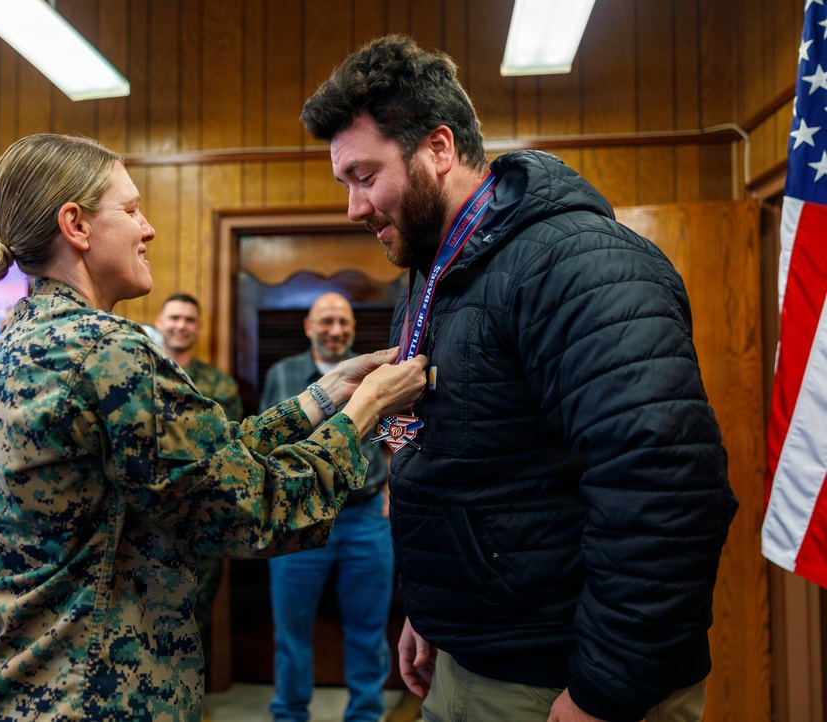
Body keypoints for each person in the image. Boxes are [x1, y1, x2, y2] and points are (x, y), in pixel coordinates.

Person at [300, 35, 738, 722]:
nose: (354, 207)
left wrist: (605, 690)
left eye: (364, 175)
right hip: (474, 652)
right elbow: (460, 458)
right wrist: (434, 611)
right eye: (345, 183)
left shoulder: (580, 265)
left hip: (565, 678)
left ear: (439, 149)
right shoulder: (432, 271)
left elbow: (665, 485)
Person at [0, 132, 427, 722]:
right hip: (88, 689)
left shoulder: (28, 337)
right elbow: (246, 506)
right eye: (132, 209)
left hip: (11, 679)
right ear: (76, 225)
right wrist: (366, 411)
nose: (149, 229)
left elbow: (198, 458)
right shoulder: (105, 351)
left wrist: (325, 397)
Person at [260, 292, 394, 722]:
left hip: (365, 517)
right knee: (291, 629)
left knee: (369, 628)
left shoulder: (376, 374)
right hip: (298, 517)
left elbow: (398, 433)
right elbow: (266, 445)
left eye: (343, 322)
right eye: (326, 322)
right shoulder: (283, 375)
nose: (335, 331)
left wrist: (393, 483)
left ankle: (366, 715)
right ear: (308, 327)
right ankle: (290, 713)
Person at [154, 291, 244, 719]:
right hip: (150, 518)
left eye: (190, 319)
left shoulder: (218, 386)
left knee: (195, 616)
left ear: (198, 328)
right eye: (174, 317)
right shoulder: (143, 374)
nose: (181, 325)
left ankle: (194, 707)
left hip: (201, 522)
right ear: (160, 322)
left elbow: (228, 449)